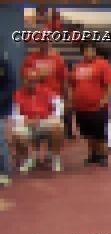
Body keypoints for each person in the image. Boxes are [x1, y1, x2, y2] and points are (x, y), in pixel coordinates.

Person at [21, 40, 67, 172]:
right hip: (33, 98)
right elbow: (25, 77)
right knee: (30, 126)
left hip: (52, 98)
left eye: (46, 41)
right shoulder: (30, 59)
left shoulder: (57, 59)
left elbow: (63, 79)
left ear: (50, 42)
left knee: (56, 127)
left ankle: (52, 155)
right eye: (41, 42)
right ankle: (33, 156)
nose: (44, 44)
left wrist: (65, 98)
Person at [70, 42, 111, 166]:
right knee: (87, 133)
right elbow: (72, 84)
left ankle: (103, 155)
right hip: (81, 107)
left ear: (95, 51)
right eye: (86, 50)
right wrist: (72, 99)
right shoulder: (78, 66)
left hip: (97, 106)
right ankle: (93, 155)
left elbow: (110, 84)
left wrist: (105, 99)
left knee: (99, 133)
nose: (88, 53)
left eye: (90, 50)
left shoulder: (102, 64)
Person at [12, 70, 64, 174]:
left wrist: (51, 117)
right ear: (24, 81)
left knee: (58, 126)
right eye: (29, 81)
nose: (32, 83)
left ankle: (55, 157)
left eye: (34, 81)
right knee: (16, 133)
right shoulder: (17, 94)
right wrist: (26, 120)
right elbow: (14, 114)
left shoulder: (47, 92)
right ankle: (29, 159)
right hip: (28, 123)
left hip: (45, 121)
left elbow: (59, 106)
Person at [0, 52, 15, 186]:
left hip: (1, 109)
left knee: (1, 141)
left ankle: (4, 172)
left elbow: (10, 85)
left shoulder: (3, 63)